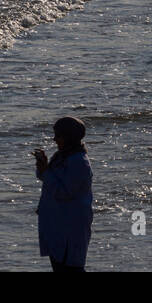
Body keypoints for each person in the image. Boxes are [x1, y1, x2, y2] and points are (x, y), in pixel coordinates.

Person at [35, 116, 93, 272]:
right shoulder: (61, 156)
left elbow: (64, 192)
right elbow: (48, 179)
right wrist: (43, 168)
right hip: (57, 225)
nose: (54, 139)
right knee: (59, 266)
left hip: (70, 225)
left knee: (71, 268)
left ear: (69, 137)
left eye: (58, 136)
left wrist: (46, 173)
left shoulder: (79, 162)